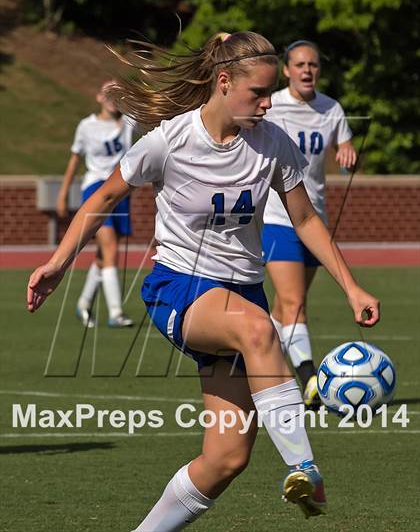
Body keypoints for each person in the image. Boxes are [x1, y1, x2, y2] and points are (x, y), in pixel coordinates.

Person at [27, 32, 379, 530]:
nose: (266, 103)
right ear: (223, 81)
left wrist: (351, 286)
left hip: (241, 292)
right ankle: (305, 468)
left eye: (269, 92)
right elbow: (104, 198)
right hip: (180, 288)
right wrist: (59, 263)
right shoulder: (169, 140)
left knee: (226, 459)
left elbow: (304, 219)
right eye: (257, 93)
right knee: (259, 329)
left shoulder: (272, 141)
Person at [262, 40, 357, 409]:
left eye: (313, 65)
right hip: (276, 216)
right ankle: (309, 379)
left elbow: (345, 147)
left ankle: (247, 361)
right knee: (293, 302)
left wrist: (347, 154)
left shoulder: (330, 108)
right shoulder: (271, 105)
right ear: (286, 70)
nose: (306, 70)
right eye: (299, 64)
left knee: (284, 311)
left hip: (313, 218)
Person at [56, 80, 136, 328]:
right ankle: (115, 312)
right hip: (95, 189)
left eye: (118, 94)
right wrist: (63, 193)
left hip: (121, 190)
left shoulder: (130, 122)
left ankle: (83, 303)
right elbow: (74, 160)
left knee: (104, 255)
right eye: (108, 94)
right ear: (99, 97)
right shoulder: (87, 126)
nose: (114, 98)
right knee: (110, 247)